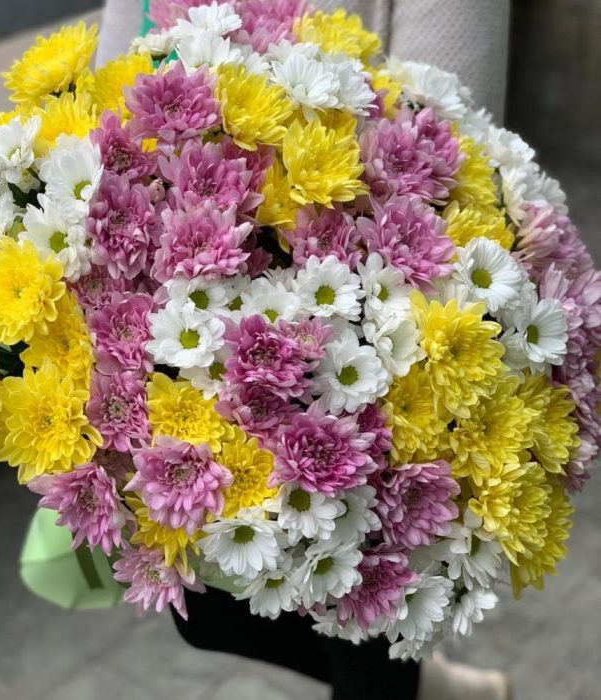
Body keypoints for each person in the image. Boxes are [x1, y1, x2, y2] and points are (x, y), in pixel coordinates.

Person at [97, 2, 513, 698]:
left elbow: (450, 139)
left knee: (369, 631)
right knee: (209, 616)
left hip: (371, 342)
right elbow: (107, 92)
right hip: (181, 326)